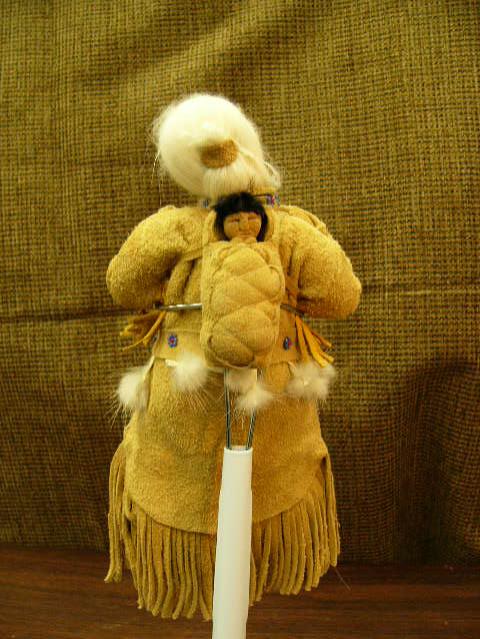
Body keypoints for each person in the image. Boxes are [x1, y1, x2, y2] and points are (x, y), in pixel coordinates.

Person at [104, 93, 362, 621]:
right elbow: (123, 286)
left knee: (252, 507)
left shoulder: (202, 229)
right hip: (191, 422)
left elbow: (341, 297)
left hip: (263, 423)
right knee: (206, 510)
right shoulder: (272, 231)